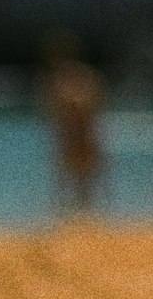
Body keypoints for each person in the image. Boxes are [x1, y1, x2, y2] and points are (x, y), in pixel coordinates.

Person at [41, 34, 106, 213]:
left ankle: (80, 213)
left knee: (81, 176)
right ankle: (70, 213)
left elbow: (90, 103)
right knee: (70, 175)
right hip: (72, 132)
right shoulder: (66, 78)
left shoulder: (74, 77)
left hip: (80, 132)